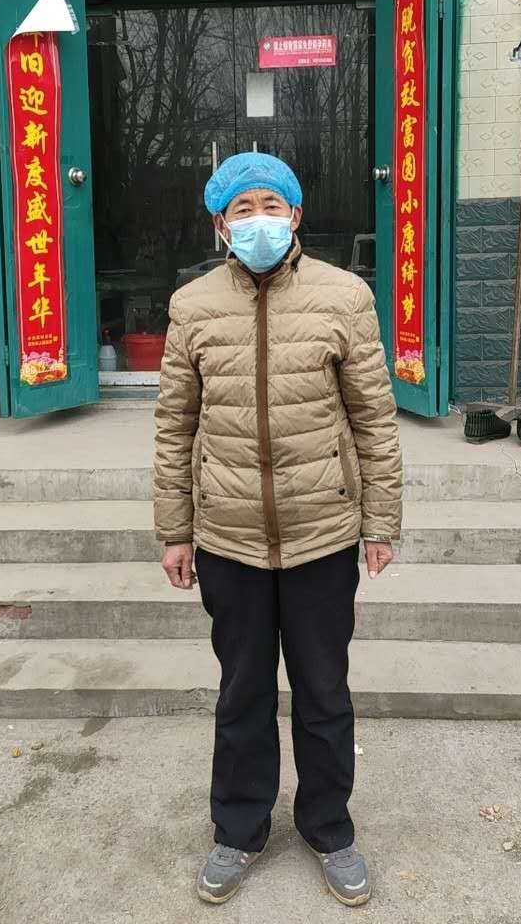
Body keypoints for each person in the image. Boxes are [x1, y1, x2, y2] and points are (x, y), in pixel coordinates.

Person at [154, 152, 402, 907]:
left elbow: (373, 419)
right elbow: (174, 427)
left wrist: (380, 522)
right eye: (242, 208)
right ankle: (239, 829)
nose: (257, 219)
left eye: (271, 204)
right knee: (242, 694)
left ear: (295, 214)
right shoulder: (192, 306)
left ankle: (330, 828)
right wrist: (175, 530)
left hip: (322, 532)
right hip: (228, 538)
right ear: (220, 223)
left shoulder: (344, 297)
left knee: (324, 692)